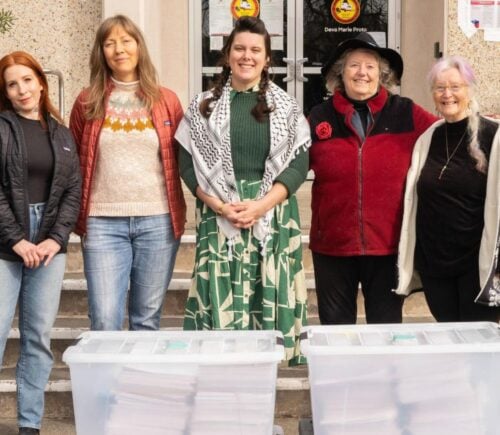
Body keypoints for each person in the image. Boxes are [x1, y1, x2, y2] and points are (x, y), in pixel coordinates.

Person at [175, 17, 311, 364]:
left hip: (273, 216)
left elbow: (298, 165)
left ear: (267, 59)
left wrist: (261, 206)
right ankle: (222, 379)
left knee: (267, 290)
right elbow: (187, 165)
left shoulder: (287, 108)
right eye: (239, 48)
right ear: (227, 54)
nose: (246, 56)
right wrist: (221, 206)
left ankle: (268, 382)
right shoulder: (202, 107)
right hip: (220, 215)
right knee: (222, 293)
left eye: (255, 50)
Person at [308, 32, 437, 325]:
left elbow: (446, 136)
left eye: (370, 66)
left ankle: (383, 374)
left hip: (387, 245)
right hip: (332, 246)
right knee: (335, 332)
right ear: (341, 72)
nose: (362, 73)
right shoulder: (319, 117)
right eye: (354, 65)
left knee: (385, 329)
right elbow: (288, 164)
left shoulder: (406, 113)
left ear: (382, 74)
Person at [70, 15, 186, 331]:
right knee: (105, 319)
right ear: (101, 52)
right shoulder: (86, 101)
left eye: (126, 40)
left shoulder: (167, 100)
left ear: (138, 46)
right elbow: (74, 162)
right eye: (110, 43)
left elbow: (184, 160)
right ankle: (105, 383)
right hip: (101, 223)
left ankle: (137, 382)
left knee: (146, 319)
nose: (119, 49)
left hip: (158, 220)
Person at [0, 51, 81, 435]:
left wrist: (55, 238)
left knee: (37, 337)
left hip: (49, 244)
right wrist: (16, 239)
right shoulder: (0, 127)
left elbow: (72, 190)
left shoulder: (60, 133)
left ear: (41, 82)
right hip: (5, 243)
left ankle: (29, 425)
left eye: (27, 80)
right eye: (12, 84)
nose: (22, 90)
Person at [395, 56, 500, 321]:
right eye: (440, 88)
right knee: (448, 335)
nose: (447, 94)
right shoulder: (427, 138)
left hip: (477, 265)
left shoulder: (493, 136)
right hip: (434, 264)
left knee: (477, 343)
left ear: (470, 90)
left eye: (456, 86)